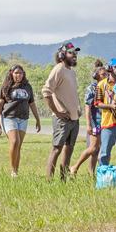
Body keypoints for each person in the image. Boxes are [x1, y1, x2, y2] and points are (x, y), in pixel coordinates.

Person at [0, 65, 42, 177]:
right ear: (11, 73)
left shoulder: (27, 87)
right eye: (16, 73)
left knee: (18, 145)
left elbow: (32, 103)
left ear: (23, 74)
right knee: (14, 141)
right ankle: (12, 171)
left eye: (20, 73)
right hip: (9, 117)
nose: (18, 75)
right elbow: (0, 103)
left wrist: (37, 119)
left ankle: (16, 170)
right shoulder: (6, 86)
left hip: (23, 118)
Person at [42, 42, 81, 181]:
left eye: (75, 53)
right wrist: (57, 112)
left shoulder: (71, 71)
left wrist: (78, 108)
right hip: (62, 119)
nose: (75, 55)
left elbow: (72, 93)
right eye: (71, 53)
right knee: (57, 149)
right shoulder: (58, 69)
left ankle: (63, 179)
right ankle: (48, 180)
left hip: (74, 118)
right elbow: (46, 91)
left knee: (69, 149)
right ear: (62, 54)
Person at [69, 62, 107, 176]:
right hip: (96, 121)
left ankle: (91, 173)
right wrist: (89, 124)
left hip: (105, 121)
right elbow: (87, 107)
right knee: (93, 147)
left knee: (97, 150)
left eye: (106, 74)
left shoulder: (107, 86)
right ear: (97, 76)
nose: (105, 76)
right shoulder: (92, 88)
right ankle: (74, 167)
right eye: (103, 74)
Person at [97, 58, 116, 167]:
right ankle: (103, 177)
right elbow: (97, 103)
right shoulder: (101, 84)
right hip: (108, 123)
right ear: (110, 68)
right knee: (105, 153)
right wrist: (111, 106)